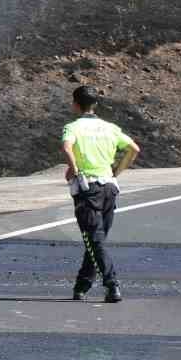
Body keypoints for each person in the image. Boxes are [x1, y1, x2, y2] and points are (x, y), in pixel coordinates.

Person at [61, 85, 140, 303]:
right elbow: (134, 149)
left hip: (89, 189)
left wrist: (75, 171)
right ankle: (82, 285)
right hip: (109, 187)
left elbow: (67, 148)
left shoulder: (72, 127)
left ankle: (111, 284)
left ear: (75, 104)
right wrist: (117, 171)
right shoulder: (110, 128)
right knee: (97, 239)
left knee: (94, 239)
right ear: (95, 104)